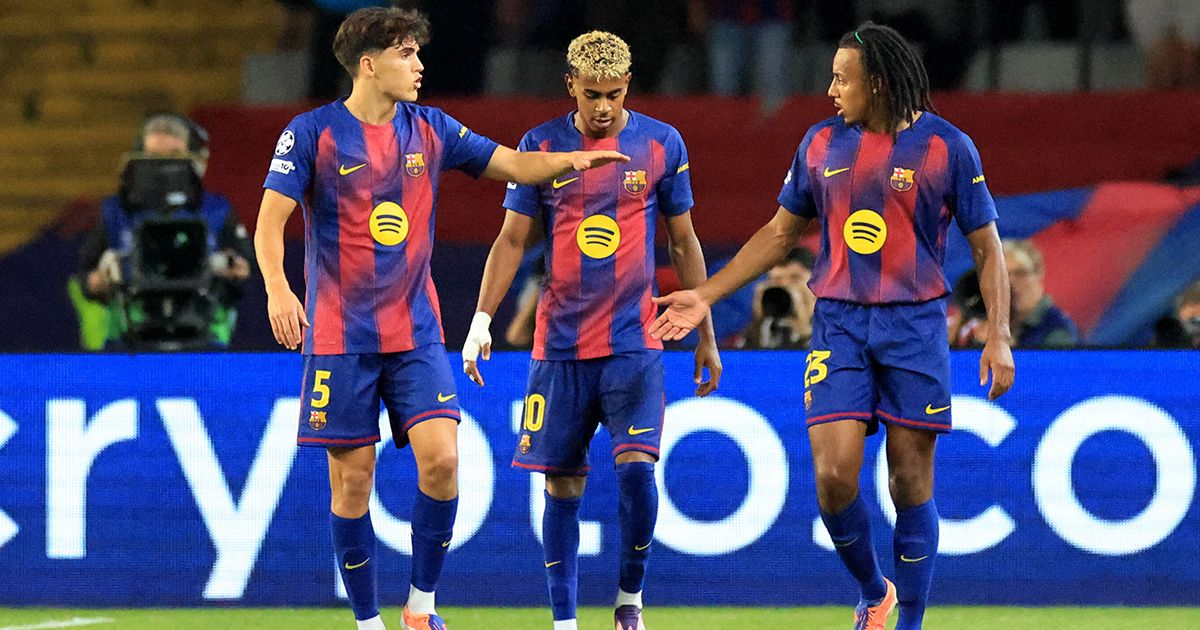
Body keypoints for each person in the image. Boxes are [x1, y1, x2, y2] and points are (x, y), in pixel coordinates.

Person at [254, 8, 628, 630]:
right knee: (353, 482)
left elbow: (512, 164)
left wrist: (572, 161)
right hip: (340, 336)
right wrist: (278, 289)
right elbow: (271, 221)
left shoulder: (431, 128)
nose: (420, 65)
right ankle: (368, 621)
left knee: (444, 461)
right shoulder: (312, 133)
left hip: (415, 334)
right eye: (406, 54)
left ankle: (420, 607)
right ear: (369, 65)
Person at [649, 22, 1015, 630]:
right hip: (839, 323)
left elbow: (987, 246)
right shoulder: (820, 144)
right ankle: (875, 591)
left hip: (915, 326)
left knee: (908, 479)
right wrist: (706, 294)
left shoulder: (948, 147)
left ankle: (909, 623)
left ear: (879, 83)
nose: (830, 91)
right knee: (833, 478)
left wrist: (998, 334)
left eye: (843, 79)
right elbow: (780, 233)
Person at [460, 31, 722, 630]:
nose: (603, 107)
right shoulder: (539, 146)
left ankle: (630, 601)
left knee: (637, 471)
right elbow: (511, 240)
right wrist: (481, 321)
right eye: (591, 94)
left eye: (614, 94)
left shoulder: (661, 144)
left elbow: (683, 241)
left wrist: (704, 334)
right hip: (560, 345)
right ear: (570, 86)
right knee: (561, 485)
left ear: (628, 86)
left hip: (635, 341)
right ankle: (565, 621)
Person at [75, 113, 254, 350]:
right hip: (130, 340)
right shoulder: (116, 211)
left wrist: (229, 268)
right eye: (154, 157)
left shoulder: (217, 210)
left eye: (175, 156)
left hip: (205, 340)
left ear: (195, 158)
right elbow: (85, 278)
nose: (164, 166)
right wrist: (104, 276)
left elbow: (246, 271)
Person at [1003, 239, 1079, 348]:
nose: (1011, 282)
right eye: (1004, 276)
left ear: (1038, 274)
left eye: (1020, 273)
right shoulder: (989, 324)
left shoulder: (1058, 331)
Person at [741, 246, 816, 348]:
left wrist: (804, 330)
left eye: (795, 278)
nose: (785, 285)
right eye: (777, 280)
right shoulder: (765, 328)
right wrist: (758, 322)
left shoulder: (833, 328)